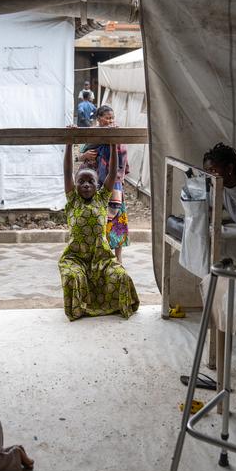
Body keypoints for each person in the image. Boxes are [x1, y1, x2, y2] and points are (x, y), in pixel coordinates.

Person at [60, 140, 139, 321]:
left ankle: (117, 306)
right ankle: (78, 309)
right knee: (72, 276)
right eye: (81, 181)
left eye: (91, 182)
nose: (86, 185)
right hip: (76, 258)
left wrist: (113, 144)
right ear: (75, 184)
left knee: (121, 276)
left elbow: (112, 172)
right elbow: (67, 171)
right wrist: (68, 143)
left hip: (101, 259)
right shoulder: (73, 200)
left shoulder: (102, 199)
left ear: (98, 185)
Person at [79, 105, 130, 261]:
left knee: (117, 222)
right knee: (95, 220)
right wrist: (84, 156)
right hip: (94, 185)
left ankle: (118, 258)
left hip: (113, 184)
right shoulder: (92, 134)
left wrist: (113, 141)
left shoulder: (116, 133)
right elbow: (80, 154)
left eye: (112, 118)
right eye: (107, 118)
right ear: (98, 119)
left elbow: (122, 155)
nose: (110, 121)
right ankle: (96, 256)